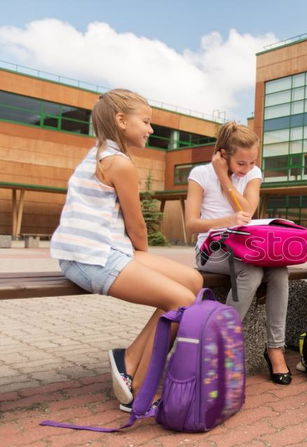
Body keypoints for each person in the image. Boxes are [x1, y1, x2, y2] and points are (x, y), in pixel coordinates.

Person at [50, 89, 203, 412]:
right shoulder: (119, 164)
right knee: (181, 300)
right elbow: (137, 227)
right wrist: (144, 258)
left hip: (101, 249)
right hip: (89, 257)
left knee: (193, 281)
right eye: (146, 122)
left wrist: (141, 258)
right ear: (121, 121)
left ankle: (129, 356)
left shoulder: (102, 153)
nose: (150, 129)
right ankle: (139, 387)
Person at [185, 122, 292, 385]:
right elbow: (191, 224)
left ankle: (274, 348)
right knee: (252, 271)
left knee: (279, 269)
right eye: (240, 164)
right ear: (223, 154)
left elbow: (247, 212)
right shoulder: (200, 174)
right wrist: (226, 216)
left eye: (251, 162)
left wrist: (228, 179)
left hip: (246, 247)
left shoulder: (253, 173)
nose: (246, 169)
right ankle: (218, 342)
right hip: (212, 249)